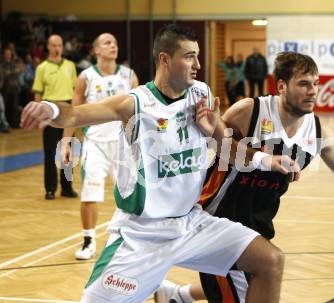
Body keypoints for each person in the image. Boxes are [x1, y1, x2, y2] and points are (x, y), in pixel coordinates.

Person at [21, 24, 298, 303]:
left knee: (270, 261)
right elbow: (74, 115)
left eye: (197, 55)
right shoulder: (135, 104)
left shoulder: (200, 93)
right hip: (142, 235)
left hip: (190, 223)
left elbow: (225, 145)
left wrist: (263, 158)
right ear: (165, 59)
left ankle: (173, 295)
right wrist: (50, 108)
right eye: (189, 56)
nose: (198, 64)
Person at [154, 52, 334, 303]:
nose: (313, 91)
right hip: (215, 218)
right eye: (304, 83)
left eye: (316, 84)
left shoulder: (317, 131)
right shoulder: (250, 111)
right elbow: (208, 141)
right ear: (281, 86)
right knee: (253, 280)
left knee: (251, 278)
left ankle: (178, 295)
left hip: (258, 224)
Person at [61, 33, 139, 260]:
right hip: (95, 143)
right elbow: (72, 114)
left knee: (130, 195)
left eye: (115, 42)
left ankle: (130, 239)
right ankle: (88, 241)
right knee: (89, 194)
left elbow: (140, 110)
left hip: (124, 145)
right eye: (107, 43)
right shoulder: (85, 77)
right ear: (96, 50)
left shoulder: (129, 76)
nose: (113, 46)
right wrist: (67, 141)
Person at [32, 34, 78, 200]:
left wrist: (75, 113)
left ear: (62, 46)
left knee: (67, 150)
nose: (56, 48)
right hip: (49, 110)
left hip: (67, 111)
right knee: (50, 152)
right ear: (48, 47)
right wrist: (39, 116)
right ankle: (50, 188)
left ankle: (67, 187)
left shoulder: (70, 66)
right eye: (53, 45)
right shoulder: (42, 67)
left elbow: (76, 91)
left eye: (59, 45)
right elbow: (37, 92)